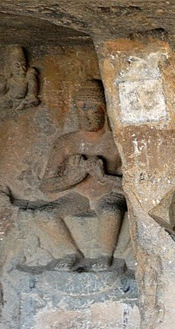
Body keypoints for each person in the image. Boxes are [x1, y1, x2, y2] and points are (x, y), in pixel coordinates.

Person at [37, 80, 125, 271]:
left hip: (108, 193)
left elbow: (135, 186)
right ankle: (71, 253)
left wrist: (104, 177)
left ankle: (105, 256)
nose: (85, 114)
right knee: (44, 214)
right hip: (79, 195)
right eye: (80, 108)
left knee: (111, 211)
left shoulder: (118, 142)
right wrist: (71, 179)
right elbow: (46, 185)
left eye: (91, 107)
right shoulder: (67, 142)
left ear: (104, 109)